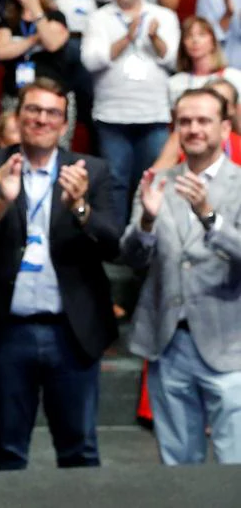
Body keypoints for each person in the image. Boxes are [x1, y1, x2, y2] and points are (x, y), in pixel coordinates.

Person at [0, 78, 120, 471]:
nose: (42, 119)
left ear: (64, 123)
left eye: (52, 113)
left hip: (72, 331)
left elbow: (113, 243)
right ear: (18, 116)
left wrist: (79, 207)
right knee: (8, 448)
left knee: (79, 448)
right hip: (6, 330)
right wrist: (1, 203)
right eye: (33, 110)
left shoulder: (91, 171)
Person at [123, 87, 241, 466]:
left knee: (234, 467)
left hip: (229, 343)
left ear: (224, 129)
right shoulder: (156, 182)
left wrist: (211, 218)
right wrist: (146, 220)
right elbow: (132, 258)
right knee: (178, 468)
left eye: (203, 120)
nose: (193, 129)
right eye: (185, 121)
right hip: (169, 342)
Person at [82, 0, 181, 226]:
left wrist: (155, 39)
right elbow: (91, 61)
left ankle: (148, 241)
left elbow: (173, 59)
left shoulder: (164, 16)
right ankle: (115, 243)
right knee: (115, 182)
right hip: (112, 115)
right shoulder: (99, 18)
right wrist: (127, 37)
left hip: (154, 114)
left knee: (154, 181)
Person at [0, 0, 72, 101]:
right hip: (16, 94)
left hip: (51, 93)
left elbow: (52, 43)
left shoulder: (55, 16)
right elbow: (2, 51)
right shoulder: (8, 19)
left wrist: (34, 5)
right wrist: (34, 39)